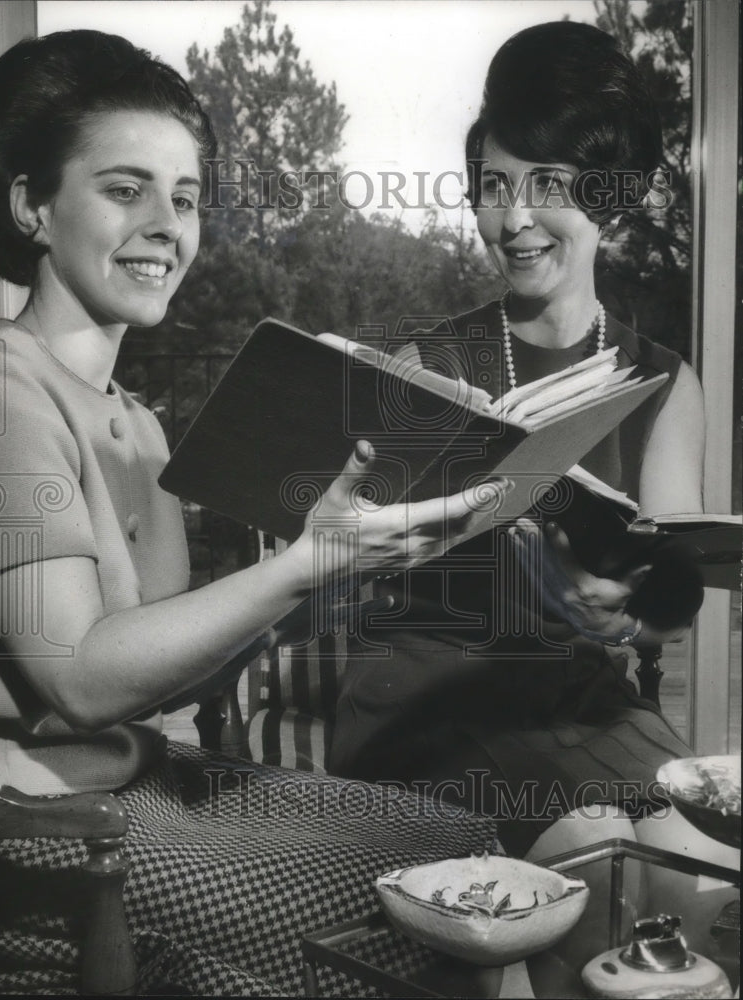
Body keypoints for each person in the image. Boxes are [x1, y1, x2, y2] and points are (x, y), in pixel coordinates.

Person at [0, 30, 504, 996]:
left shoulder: (143, 431)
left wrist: (341, 564)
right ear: (31, 205)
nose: (166, 225)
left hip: (134, 778)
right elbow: (78, 679)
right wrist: (300, 564)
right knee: (420, 909)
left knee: (461, 845)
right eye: (124, 190)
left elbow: (160, 669)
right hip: (9, 827)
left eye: (185, 199)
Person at [329, 20, 738, 977]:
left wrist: (622, 609)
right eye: (494, 185)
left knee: (702, 878)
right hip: (426, 701)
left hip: (580, 700)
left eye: (548, 184)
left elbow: (665, 581)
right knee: (609, 872)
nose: (513, 217)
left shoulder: (663, 381)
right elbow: (349, 567)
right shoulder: (425, 365)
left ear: (610, 197)